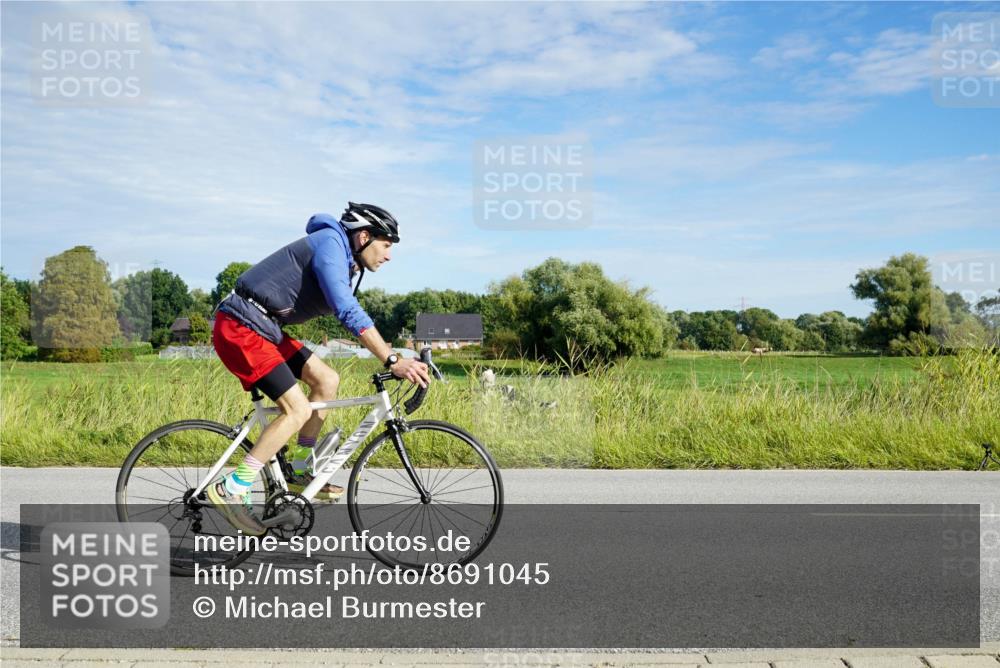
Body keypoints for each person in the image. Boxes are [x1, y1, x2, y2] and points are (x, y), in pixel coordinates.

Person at [209, 202, 430, 535]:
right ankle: (233, 486)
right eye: (386, 245)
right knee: (296, 410)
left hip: (264, 329)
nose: (389, 255)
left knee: (326, 379)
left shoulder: (345, 258)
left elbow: (346, 309)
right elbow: (346, 309)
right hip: (241, 327)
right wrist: (393, 360)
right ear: (365, 237)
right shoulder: (331, 244)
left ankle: (299, 468)